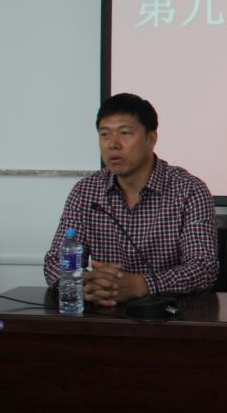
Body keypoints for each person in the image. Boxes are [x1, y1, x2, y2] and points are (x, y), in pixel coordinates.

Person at [43, 93, 217, 307]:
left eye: (125, 133)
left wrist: (143, 285)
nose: (113, 144)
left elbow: (203, 268)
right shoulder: (86, 191)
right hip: (104, 314)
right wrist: (86, 282)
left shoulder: (189, 191)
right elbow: (54, 262)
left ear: (151, 139)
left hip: (170, 317)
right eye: (104, 134)